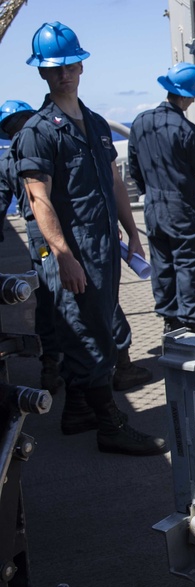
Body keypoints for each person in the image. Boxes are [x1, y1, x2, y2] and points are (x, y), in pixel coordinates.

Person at [14, 21, 166, 456]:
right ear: (43, 73)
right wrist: (62, 254)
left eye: (69, 65)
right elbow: (38, 197)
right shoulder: (39, 131)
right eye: (53, 68)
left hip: (102, 249)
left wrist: (133, 235)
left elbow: (115, 181)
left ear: (81, 67)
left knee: (96, 326)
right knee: (87, 334)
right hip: (71, 251)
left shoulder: (96, 125)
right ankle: (110, 425)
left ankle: (77, 412)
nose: (63, 74)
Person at [128, 62, 195, 336]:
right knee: (187, 265)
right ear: (188, 96)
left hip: (153, 209)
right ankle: (191, 321)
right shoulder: (187, 130)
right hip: (182, 209)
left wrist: (149, 191)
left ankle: (169, 320)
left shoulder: (140, 122)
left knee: (162, 264)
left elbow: (133, 168)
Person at [0, 99, 62, 392]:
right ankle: (74, 366)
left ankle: (51, 366)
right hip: (58, 226)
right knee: (71, 295)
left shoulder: (6, 160)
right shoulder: (47, 142)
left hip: (38, 234)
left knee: (49, 297)